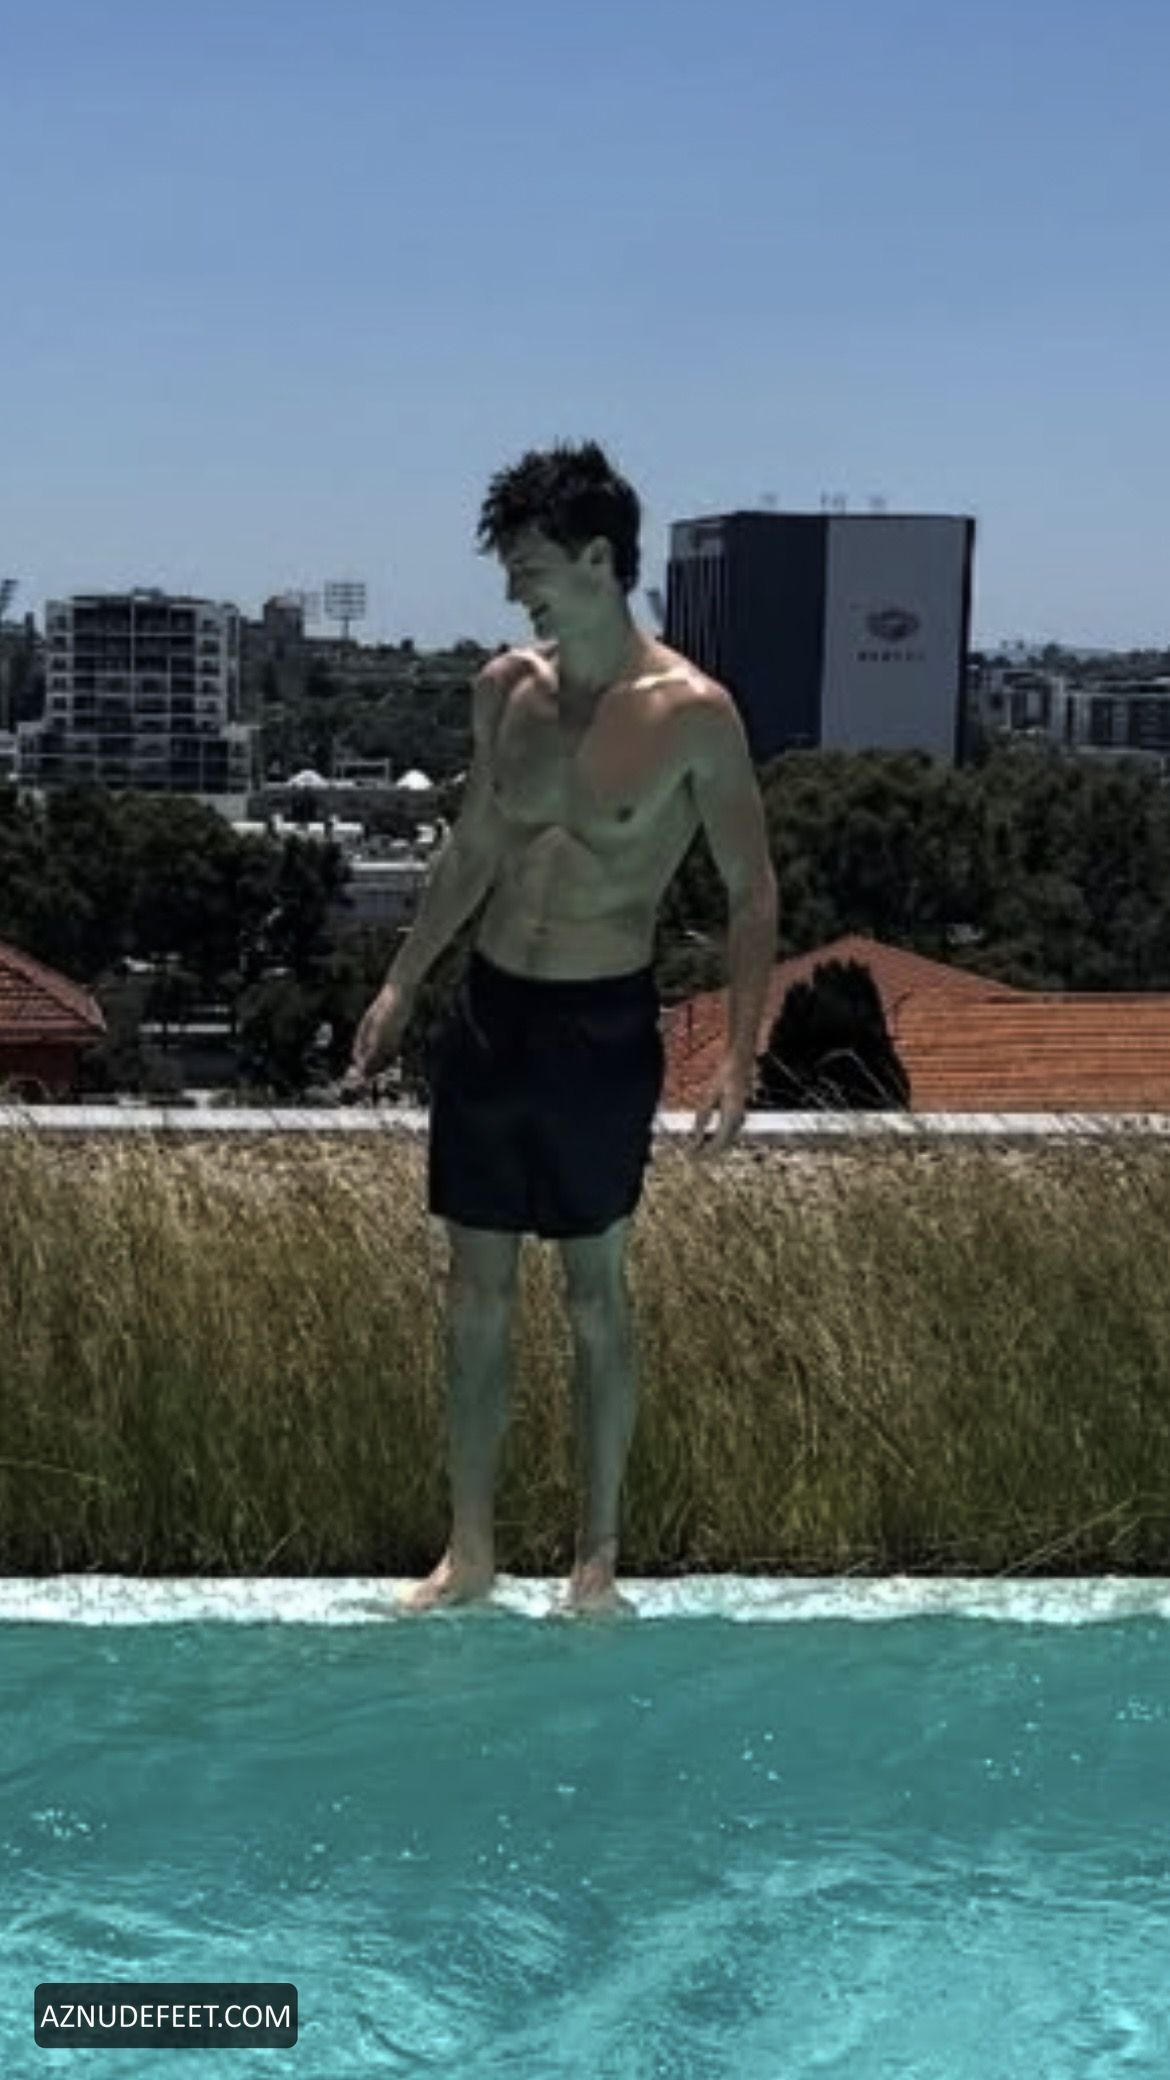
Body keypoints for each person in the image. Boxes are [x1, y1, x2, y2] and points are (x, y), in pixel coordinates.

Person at [340, 440, 778, 1615]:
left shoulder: (694, 715)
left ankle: (596, 1559)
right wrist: (401, 984)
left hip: (600, 1025)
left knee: (594, 1296)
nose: (514, 588)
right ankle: (470, 1552)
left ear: (597, 559)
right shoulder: (505, 690)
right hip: (493, 1012)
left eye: (530, 565)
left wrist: (741, 1056)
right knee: (473, 1295)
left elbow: (752, 890)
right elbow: (476, 845)